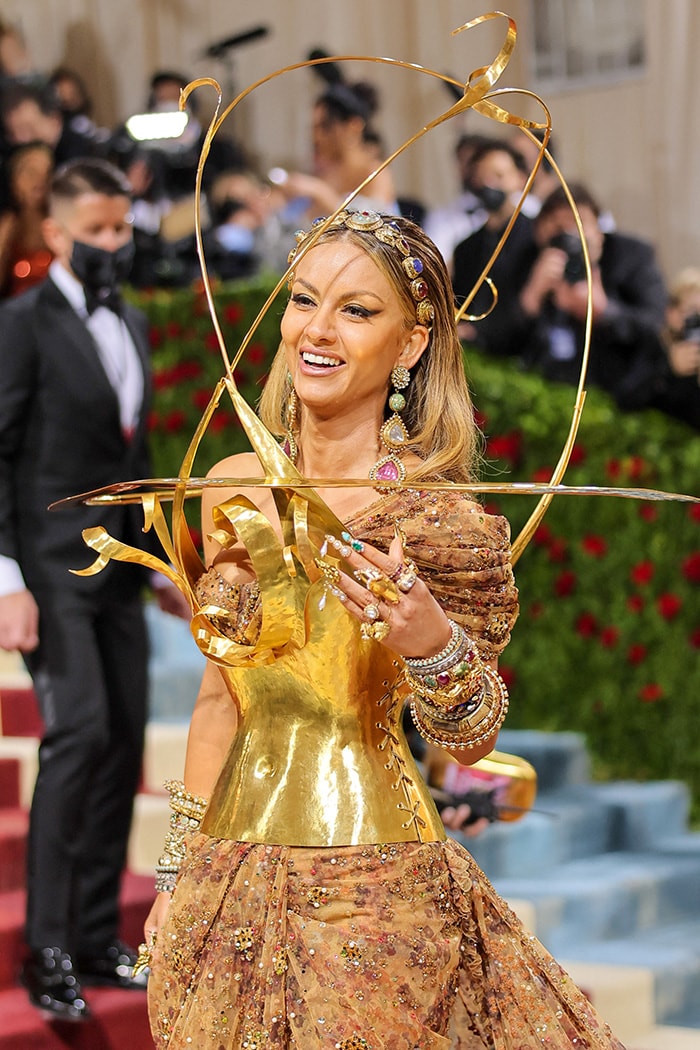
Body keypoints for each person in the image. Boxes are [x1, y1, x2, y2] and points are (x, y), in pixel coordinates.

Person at [117, 209, 624, 1048]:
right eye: (306, 300)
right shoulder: (233, 484)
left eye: (356, 310)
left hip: (376, 896)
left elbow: (470, 737)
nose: (317, 331)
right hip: (223, 887)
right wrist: (176, 877)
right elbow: (218, 701)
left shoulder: (437, 523)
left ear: (413, 343)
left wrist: (429, 642)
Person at [0, 157, 188, 1023]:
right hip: (49, 567)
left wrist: (167, 569)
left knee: (119, 743)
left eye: (125, 227)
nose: (118, 242)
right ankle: (45, 949)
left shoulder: (136, 323)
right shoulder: (21, 324)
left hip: (120, 568)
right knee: (76, 734)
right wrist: (6, 580)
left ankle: (94, 933)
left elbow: (134, 462)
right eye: (103, 229)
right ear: (59, 232)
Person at [480, 182, 669, 405]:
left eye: (578, 223)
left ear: (599, 230)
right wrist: (531, 297)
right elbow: (491, 336)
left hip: (616, 396)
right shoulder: (522, 261)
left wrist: (604, 311)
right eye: (557, 225)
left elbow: (655, 327)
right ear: (538, 231)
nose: (569, 234)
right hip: (538, 393)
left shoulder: (631, 257)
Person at [451, 139, 535, 345]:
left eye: (499, 176)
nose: (490, 184)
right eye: (483, 176)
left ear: (520, 179)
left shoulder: (534, 239)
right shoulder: (466, 247)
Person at [423, 132, 499, 270]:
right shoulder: (441, 217)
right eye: (463, 162)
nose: (470, 170)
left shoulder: (522, 209)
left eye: (476, 162)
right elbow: (437, 266)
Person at [0, 140, 53, 297]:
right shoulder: (8, 224)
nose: (40, 181)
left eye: (47, 172)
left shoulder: (63, 221)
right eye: (31, 172)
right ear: (14, 179)